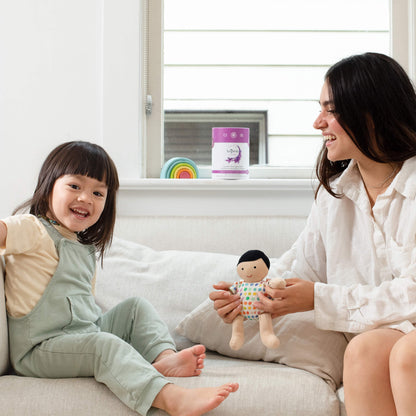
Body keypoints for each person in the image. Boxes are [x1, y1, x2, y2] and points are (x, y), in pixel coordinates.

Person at [209, 52, 416, 416]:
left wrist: (319, 299)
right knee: (364, 350)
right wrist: (251, 296)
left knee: (407, 356)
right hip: (388, 334)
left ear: (371, 112)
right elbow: (300, 266)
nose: (318, 122)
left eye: (331, 110)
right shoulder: (333, 195)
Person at [0, 141, 238, 416]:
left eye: (97, 192)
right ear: (48, 186)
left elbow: (83, 312)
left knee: (136, 308)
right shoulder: (32, 228)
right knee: (104, 345)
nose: (86, 198)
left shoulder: (83, 247)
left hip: (82, 334)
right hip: (40, 349)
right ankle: (172, 399)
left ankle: (165, 359)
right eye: (75, 186)